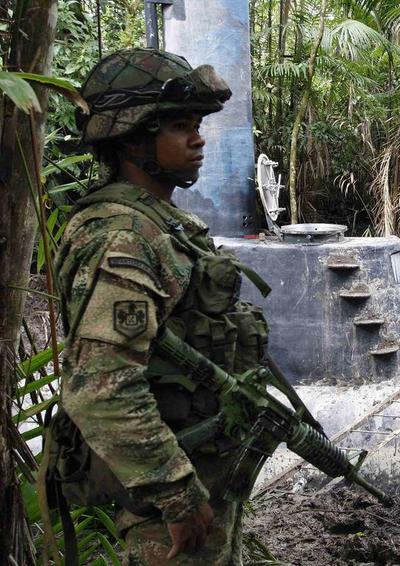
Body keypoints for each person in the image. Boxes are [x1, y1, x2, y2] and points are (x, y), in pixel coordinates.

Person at [49, 48, 269, 564]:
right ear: (132, 138)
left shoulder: (161, 223)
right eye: (179, 126)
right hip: (168, 492)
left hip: (200, 468)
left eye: (197, 124)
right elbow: (103, 387)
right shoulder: (122, 236)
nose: (198, 139)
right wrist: (175, 492)